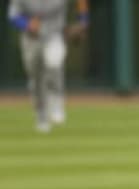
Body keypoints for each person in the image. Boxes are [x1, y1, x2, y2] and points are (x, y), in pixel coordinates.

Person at [7, 0, 89, 133]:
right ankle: (41, 116)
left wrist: (83, 21)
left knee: (54, 63)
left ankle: (57, 101)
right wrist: (26, 24)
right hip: (31, 38)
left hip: (54, 35)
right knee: (36, 78)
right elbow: (13, 16)